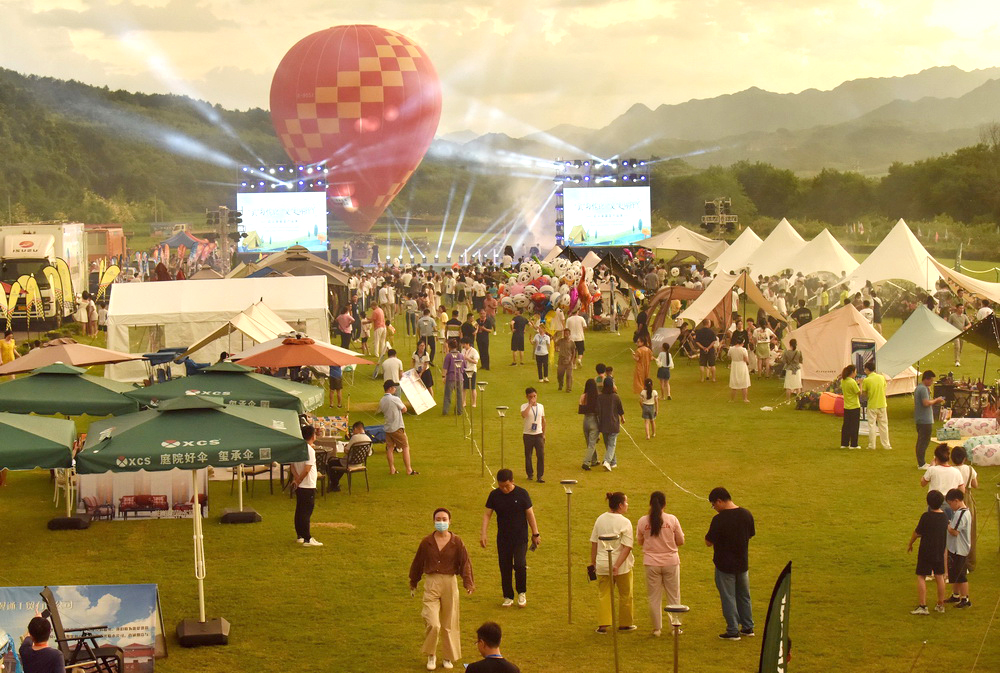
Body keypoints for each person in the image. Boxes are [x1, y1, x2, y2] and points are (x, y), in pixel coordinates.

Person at [409, 507, 475, 671]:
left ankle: (447, 657)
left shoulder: (457, 541)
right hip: (432, 583)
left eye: (444, 519)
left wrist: (468, 582)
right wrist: (414, 581)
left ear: (449, 521)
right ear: (434, 521)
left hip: (450, 583)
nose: (441, 522)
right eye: (438, 519)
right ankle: (431, 654)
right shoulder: (427, 541)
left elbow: (465, 562)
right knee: (434, 624)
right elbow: (418, 562)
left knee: (449, 623)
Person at [480, 468, 540, 607]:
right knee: (505, 566)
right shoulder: (494, 495)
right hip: (503, 538)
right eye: (501, 486)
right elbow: (487, 514)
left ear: (512, 481)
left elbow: (530, 514)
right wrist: (483, 533)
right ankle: (508, 596)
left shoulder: (522, 493)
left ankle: (521, 593)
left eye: (506, 486)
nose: (504, 489)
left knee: (519, 564)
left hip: (520, 538)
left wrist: (535, 533)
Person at [705, 486, 755, 640]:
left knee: (728, 597)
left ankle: (733, 630)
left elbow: (708, 542)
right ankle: (748, 627)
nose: (714, 508)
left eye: (714, 505)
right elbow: (751, 534)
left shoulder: (719, 519)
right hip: (742, 563)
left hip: (724, 565)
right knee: (744, 596)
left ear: (720, 501)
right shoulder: (746, 514)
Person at [636, 491, 685, 637]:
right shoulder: (672, 519)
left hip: (651, 563)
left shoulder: (643, 521)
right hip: (671, 561)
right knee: (674, 596)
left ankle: (657, 629)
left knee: (654, 597)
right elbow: (680, 541)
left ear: (650, 503)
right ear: (664, 504)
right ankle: (675, 627)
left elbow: (640, 541)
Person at [589, 491, 636, 634]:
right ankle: (625, 623)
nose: (627, 505)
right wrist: (617, 565)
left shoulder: (600, 519)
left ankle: (603, 625)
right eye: (626, 502)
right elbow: (627, 547)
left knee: (604, 594)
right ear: (620, 505)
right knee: (625, 594)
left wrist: (593, 563)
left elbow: (594, 543)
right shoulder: (625, 522)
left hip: (602, 563)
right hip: (622, 566)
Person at [907, 490, 949, 615]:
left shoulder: (926, 516)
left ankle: (923, 606)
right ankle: (940, 604)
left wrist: (910, 543)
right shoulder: (944, 517)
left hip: (926, 550)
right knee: (939, 576)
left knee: (921, 576)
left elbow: (917, 532)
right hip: (939, 550)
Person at [292, 425, 321, 546]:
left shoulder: (298, 448)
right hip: (307, 485)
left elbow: (292, 466)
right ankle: (307, 538)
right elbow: (307, 468)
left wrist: (296, 479)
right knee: (306, 512)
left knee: (299, 511)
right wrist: (299, 480)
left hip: (300, 485)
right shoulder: (310, 450)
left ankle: (300, 535)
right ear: (312, 436)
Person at [380, 380, 417, 475]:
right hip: (396, 427)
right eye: (394, 387)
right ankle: (409, 470)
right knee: (405, 446)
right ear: (390, 388)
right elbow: (404, 409)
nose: (395, 389)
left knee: (390, 448)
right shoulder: (395, 399)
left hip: (387, 427)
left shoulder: (382, 400)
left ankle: (392, 469)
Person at [944, 489, 972, 609]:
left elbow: (954, 531)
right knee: (954, 573)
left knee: (960, 575)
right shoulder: (961, 512)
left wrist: (947, 525)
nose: (950, 506)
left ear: (956, 501)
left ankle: (965, 598)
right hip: (954, 548)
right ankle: (955, 595)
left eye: (950, 503)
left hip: (959, 549)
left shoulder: (962, 513)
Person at [326, 421, 373, 492]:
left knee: (330, 462)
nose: (353, 432)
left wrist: (345, 447)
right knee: (339, 465)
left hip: (349, 462)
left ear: (356, 429)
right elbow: (369, 453)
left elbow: (347, 451)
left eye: (353, 430)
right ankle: (335, 484)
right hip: (359, 463)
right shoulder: (369, 439)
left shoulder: (355, 437)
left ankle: (334, 484)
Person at [921, 443, 963, 520]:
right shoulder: (956, 471)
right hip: (950, 502)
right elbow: (962, 489)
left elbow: (923, 483)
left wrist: (931, 466)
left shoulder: (932, 470)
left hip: (934, 501)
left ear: (936, 458)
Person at [914, 370, 945, 468]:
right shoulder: (923, 389)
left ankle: (921, 462)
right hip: (925, 419)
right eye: (931, 380)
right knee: (924, 441)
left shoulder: (919, 388)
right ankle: (921, 463)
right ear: (926, 379)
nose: (932, 383)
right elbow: (926, 403)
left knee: (921, 441)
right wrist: (937, 400)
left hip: (920, 418)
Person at [596, 378, 625, 471]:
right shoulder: (615, 397)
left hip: (603, 424)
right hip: (613, 424)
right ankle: (607, 461)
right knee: (611, 445)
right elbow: (620, 409)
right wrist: (622, 418)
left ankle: (613, 462)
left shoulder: (600, 397)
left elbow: (597, 411)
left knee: (608, 444)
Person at [862, 361, 891, 450]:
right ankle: (886, 445)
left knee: (872, 425)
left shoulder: (866, 380)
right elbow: (884, 388)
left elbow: (864, 394)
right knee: (884, 425)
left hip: (872, 405)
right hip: (882, 404)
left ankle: (872, 445)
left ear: (867, 369)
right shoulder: (881, 378)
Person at [520, 388, 546, 483]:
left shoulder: (541, 406)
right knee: (528, 455)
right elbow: (524, 415)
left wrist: (544, 434)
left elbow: (543, 420)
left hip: (538, 434)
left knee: (541, 455)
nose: (533, 398)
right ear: (527, 397)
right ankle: (530, 474)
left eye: (534, 396)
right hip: (528, 434)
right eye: (530, 397)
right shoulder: (524, 406)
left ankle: (540, 476)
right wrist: (530, 405)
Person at [579, 378, 601, 470]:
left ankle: (594, 460)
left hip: (585, 420)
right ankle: (586, 462)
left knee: (589, 443)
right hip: (594, 420)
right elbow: (599, 411)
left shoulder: (583, 396)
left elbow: (580, 409)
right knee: (592, 444)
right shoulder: (597, 397)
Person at [441, 339, 466, 416]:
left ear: (449, 346)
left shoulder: (448, 356)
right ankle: (459, 411)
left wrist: (443, 376)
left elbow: (445, 368)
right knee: (459, 395)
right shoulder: (461, 355)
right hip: (460, 377)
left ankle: (445, 411)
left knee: (448, 395)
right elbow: (465, 366)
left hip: (451, 377)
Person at [840, 365, 861, 449]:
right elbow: (859, 392)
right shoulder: (852, 382)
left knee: (846, 425)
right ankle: (853, 444)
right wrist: (861, 384)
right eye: (855, 372)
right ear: (852, 372)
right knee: (854, 426)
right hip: (854, 406)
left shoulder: (843, 381)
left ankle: (844, 443)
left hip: (847, 406)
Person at [727, 334, 751, 403]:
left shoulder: (731, 349)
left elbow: (729, 357)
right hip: (742, 365)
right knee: (744, 382)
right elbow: (746, 359)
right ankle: (745, 399)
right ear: (742, 343)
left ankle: (732, 399)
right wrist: (748, 363)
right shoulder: (743, 350)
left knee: (734, 382)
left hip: (734, 365)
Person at [553, 328, 577, 392]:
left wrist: (572, 360)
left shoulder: (572, 343)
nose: (566, 335)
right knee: (560, 375)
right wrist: (554, 338)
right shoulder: (561, 341)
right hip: (561, 361)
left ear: (569, 334)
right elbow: (555, 345)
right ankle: (560, 385)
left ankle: (568, 388)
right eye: (565, 333)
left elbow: (574, 352)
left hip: (569, 361)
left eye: (567, 333)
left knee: (569, 375)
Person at [461, 337, 481, 408]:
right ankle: (463, 402)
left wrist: (467, 359)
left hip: (472, 371)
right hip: (464, 370)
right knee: (464, 388)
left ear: (467, 344)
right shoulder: (463, 350)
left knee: (473, 388)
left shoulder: (474, 351)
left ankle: (474, 402)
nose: (463, 346)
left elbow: (476, 362)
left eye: (464, 344)